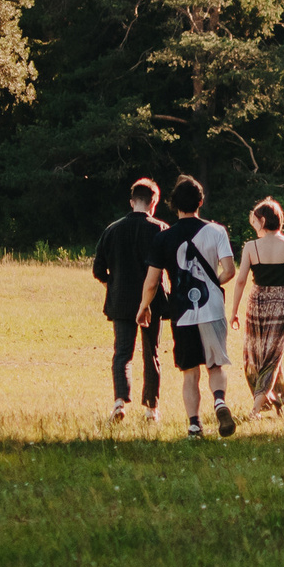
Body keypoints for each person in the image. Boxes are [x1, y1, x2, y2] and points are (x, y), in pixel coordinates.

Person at [137, 175, 239, 439]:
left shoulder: (163, 238)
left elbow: (151, 282)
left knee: (190, 372)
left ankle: (194, 425)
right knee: (215, 366)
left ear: (173, 205)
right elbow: (229, 270)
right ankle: (219, 402)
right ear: (200, 202)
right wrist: (211, 284)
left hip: (182, 314)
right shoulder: (217, 231)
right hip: (213, 310)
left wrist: (143, 307)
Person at [92, 178, 168, 423]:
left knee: (122, 353)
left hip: (122, 301)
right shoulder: (160, 229)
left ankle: (119, 401)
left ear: (132, 201)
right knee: (151, 354)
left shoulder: (112, 229)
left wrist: (112, 285)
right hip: (152, 302)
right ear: (153, 203)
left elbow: (98, 269)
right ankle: (151, 408)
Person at [228, 197, 284, 417]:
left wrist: (233, 312)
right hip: (283, 299)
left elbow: (241, 280)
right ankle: (276, 400)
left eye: (255, 221)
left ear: (262, 220)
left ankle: (256, 408)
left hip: (257, 302)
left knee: (255, 356)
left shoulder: (251, 247)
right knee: (274, 354)